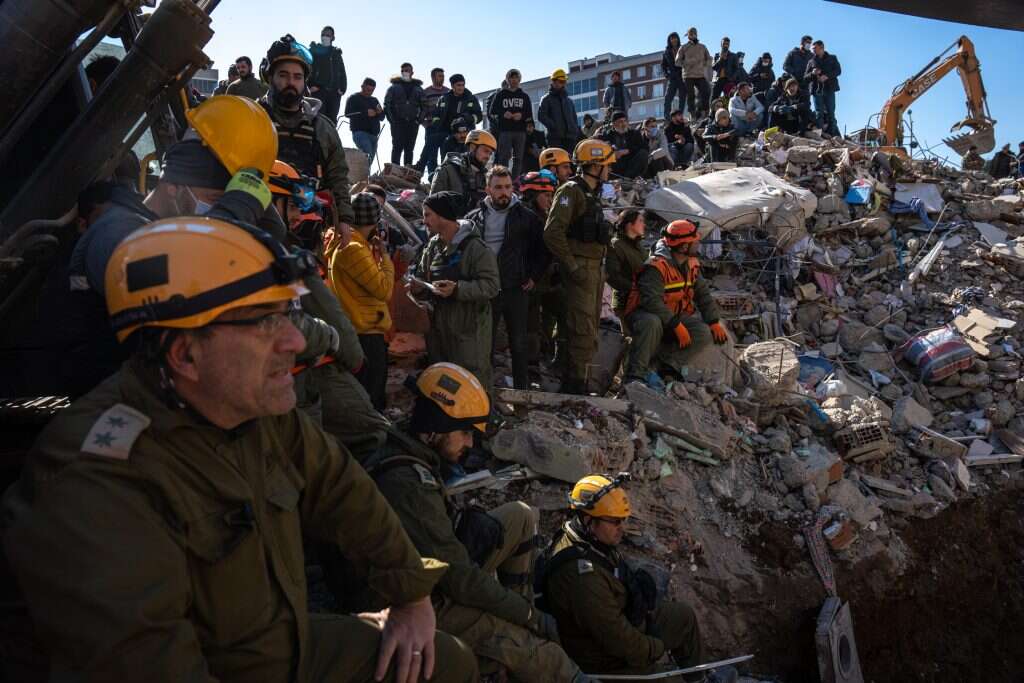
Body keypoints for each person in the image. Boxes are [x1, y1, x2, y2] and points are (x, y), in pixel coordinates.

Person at [3, 216, 478, 683]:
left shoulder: (250, 411)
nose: (295, 341)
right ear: (185, 355)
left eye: (288, 315)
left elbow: (338, 486)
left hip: (275, 646)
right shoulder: (95, 488)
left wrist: (410, 593)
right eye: (266, 323)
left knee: (446, 660)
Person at [357, 363, 594, 682]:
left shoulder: (408, 449)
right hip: (408, 601)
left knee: (520, 516)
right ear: (435, 428)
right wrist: (528, 617)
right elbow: (458, 579)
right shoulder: (408, 484)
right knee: (543, 657)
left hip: (433, 571)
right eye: (465, 432)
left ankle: (518, 612)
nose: (470, 444)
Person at [65, 96, 278, 396]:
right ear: (175, 185)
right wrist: (232, 213)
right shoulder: (114, 229)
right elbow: (173, 280)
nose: (214, 211)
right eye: (215, 201)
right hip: (115, 404)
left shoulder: (170, 231)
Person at [540, 474, 736, 683]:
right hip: (602, 657)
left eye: (623, 520)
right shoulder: (582, 577)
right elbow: (617, 639)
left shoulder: (587, 539)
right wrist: (655, 648)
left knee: (683, 618)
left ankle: (699, 679)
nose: (622, 527)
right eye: (615, 521)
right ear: (589, 519)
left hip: (623, 621)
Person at [258, 34, 356, 225]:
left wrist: (344, 219)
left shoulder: (322, 128)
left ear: (305, 82)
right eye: (283, 75)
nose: (291, 83)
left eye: (297, 77)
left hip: (308, 229)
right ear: (270, 78)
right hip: (257, 221)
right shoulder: (253, 118)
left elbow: (338, 176)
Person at [543, 139, 616, 394]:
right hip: (581, 267)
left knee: (589, 325)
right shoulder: (571, 191)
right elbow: (553, 233)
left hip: (595, 267)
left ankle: (577, 378)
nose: (609, 170)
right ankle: (574, 384)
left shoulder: (591, 193)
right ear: (594, 165)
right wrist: (573, 266)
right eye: (606, 164)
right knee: (581, 327)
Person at [466, 166, 547, 390]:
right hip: (485, 290)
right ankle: (484, 393)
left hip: (515, 288)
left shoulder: (526, 217)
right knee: (484, 344)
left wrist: (533, 276)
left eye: (508, 187)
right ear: (487, 190)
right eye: (498, 187)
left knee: (519, 344)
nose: (504, 192)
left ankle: (522, 393)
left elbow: (542, 250)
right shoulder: (474, 218)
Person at [621, 220, 727, 386]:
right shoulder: (655, 267)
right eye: (694, 241)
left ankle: (667, 366)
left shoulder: (691, 263)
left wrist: (713, 322)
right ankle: (635, 376)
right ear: (684, 246)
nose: (698, 243)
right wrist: (676, 324)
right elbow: (651, 302)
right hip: (643, 314)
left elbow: (703, 294)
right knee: (652, 322)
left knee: (703, 332)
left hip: (672, 316)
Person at [413, 192, 500, 391]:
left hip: (469, 330)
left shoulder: (476, 248)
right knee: (443, 381)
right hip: (439, 329)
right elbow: (423, 278)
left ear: (443, 216)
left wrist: (458, 289)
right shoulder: (433, 246)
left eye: (428, 215)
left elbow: (491, 285)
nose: (424, 221)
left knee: (472, 382)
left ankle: (480, 421)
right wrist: (419, 289)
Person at [327, 193, 394, 411]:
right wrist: (385, 258)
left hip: (357, 328)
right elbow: (384, 290)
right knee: (371, 399)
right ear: (374, 221)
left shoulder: (349, 243)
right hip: (365, 333)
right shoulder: (353, 249)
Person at [431, 129, 497, 213]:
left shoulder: (486, 177)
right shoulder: (448, 169)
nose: (488, 156)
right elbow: (432, 205)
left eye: (490, 153)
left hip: (476, 223)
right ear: (472, 147)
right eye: (486, 151)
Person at [606, 209, 648, 328]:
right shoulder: (615, 245)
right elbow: (611, 275)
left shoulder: (638, 245)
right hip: (626, 302)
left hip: (641, 300)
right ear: (630, 225)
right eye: (640, 221)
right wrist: (634, 288)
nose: (644, 224)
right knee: (631, 339)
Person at [488, 69, 534, 177]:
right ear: (507, 79)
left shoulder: (524, 96)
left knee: (518, 158)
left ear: (519, 79)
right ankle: (503, 178)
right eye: (511, 78)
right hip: (505, 131)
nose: (514, 80)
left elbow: (529, 114)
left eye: (516, 78)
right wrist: (503, 114)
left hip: (520, 131)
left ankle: (515, 182)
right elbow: (492, 112)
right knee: (503, 157)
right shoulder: (500, 95)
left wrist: (522, 116)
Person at [384, 62, 424, 167]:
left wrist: (418, 121)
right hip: (398, 123)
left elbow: (425, 106)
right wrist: (392, 121)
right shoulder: (393, 87)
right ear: (401, 72)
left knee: (409, 149)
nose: (405, 72)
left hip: (412, 123)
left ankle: (407, 173)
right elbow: (386, 105)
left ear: (412, 72)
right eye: (403, 70)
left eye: (407, 70)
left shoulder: (418, 89)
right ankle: (394, 171)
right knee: (397, 147)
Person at [415, 67, 451, 174]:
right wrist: (424, 123)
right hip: (431, 127)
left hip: (445, 128)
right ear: (433, 77)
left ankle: (444, 178)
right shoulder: (426, 92)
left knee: (445, 154)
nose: (442, 78)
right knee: (431, 156)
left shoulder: (448, 92)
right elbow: (420, 110)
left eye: (443, 76)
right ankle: (432, 179)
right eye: (440, 76)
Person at [309, 26, 347, 124]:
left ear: (333, 37)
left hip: (334, 93)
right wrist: (311, 85)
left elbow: (342, 72)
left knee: (331, 121)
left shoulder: (336, 53)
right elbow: (308, 69)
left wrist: (342, 89)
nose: (325, 36)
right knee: (318, 119)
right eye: (323, 34)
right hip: (318, 91)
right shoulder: (313, 51)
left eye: (328, 34)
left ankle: (329, 139)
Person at [539, 69, 582, 153]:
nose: (563, 84)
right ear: (553, 81)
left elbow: (574, 118)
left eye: (564, 82)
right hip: (555, 138)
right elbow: (541, 116)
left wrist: (575, 130)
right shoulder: (546, 99)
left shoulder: (569, 101)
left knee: (571, 164)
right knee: (558, 163)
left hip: (570, 138)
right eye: (561, 81)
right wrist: (554, 126)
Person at [805, 40, 841, 137]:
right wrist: (812, 73)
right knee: (819, 114)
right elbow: (805, 77)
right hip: (817, 91)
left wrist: (827, 76)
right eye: (812, 49)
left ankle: (833, 135)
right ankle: (820, 137)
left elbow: (838, 71)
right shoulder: (811, 61)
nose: (813, 51)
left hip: (829, 89)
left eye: (815, 48)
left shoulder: (832, 58)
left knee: (831, 113)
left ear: (822, 48)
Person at [599, 111, 649, 180]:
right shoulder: (608, 136)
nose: (624, 124)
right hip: (616, 166)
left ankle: (627, 179)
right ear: (614, 124)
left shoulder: (634, 134)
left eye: (625, 121)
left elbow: (645, 147)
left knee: (643, 154)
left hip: (631, 165)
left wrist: (627, 151)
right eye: (620, 121)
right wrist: (612, 154)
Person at [346, 77, 384, 165]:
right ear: (362, 86)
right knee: (367, 156)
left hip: (374, 136)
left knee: (368, 161)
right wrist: (365, 113)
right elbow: (348, 113)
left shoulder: (374, 100)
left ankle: (364, 178)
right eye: (368, 90)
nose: (369, 92)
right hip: (360, 133)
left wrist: (379, 112)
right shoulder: (353, 98)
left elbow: (382, 117)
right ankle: (362, 177)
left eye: (372, 90)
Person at [676, 27, 712, 120]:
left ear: (697, 34)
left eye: (694, 33)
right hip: (688, 75)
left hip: (700, 74)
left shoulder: (702, 47)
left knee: (706, 91)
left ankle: (705, 111)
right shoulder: (683, 47)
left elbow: (709, 58)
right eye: (690, 33)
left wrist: (704, 64)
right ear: (687, 35)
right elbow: (677, 61)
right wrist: (687, 63)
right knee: (691, 95)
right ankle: (692, 113)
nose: (692, 35)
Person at [662, 32, 685, 119]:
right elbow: (663, 65)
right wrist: (666, 75)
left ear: (678, 39)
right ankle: (667, 118)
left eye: (675, 38)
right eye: (672, 38)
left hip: (682, 76)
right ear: (669, 40)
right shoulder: (666, 52)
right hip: (672, 78)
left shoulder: (683, 49)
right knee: (668, 98)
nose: (674, 40)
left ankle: (680, 116)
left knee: (682, 98)